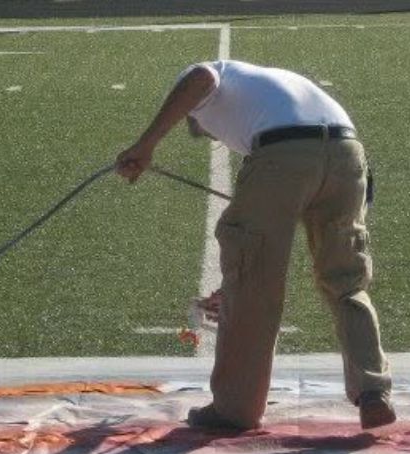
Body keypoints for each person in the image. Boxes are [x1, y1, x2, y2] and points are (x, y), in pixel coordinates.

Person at [116, 60, 395, 432]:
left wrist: (146, 144)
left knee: (253, 283)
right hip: (348, 153)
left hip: (283, 151)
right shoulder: (272, 86)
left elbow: (200, 79)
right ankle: (373, 392)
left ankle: (235, 409)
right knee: (347, 281)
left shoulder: (208, 80)